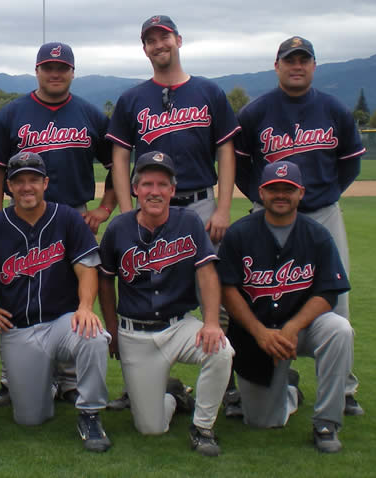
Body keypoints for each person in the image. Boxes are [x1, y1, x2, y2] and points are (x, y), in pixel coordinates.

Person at [105, 15, 241, 413]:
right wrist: (127, 212)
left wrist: (223, 206)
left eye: (164, 36)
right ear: (144, 49)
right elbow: (119, 155)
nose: (158, 44)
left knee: (215, 297)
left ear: (178, 40)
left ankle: (225, 384)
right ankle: (149, 384)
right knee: (144, 288)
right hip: (147, 208)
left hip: (199, 203)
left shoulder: (208, 92)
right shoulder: (133, 99)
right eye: (150, 40)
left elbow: (226, 151)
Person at [233, 36, 366, 416]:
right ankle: (257, 378)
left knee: (335, 301)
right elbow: (241, 166)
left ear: (313, 66)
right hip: (267, 214)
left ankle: (343, 390)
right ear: (277, 66)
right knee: (258, 292)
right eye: (289, 60)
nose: (296, 66)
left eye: (303, 60)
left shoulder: (333, 109)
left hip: (321, 212)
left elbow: (350, 163)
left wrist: (325, 193)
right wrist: (259, 199)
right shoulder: (256, 112)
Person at [0, 41, 115, 406]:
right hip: (20, 215)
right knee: (17, 284)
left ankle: (70, 379)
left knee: (72, 292)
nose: (55, 73)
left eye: (62, 68)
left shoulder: (89, 114)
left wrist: (103, 209)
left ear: (72, 72)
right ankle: (14, 378)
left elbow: (117, 163)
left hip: (72, 211)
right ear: (37, 71)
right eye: (48, 67)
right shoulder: (13, 113)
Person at [0, 151, 111, 452]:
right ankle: (43, 383)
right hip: (19, 330)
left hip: (62, 322)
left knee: (94, 336)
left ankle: (90, 414)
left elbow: (87, 266)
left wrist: (86, 307)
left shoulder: (67, 218)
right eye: (19, 181)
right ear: (8, 186)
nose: (26, 187)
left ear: (45, 183)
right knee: (30, 419)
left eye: (34, 179)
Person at [97, 151, 234, 457]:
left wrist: (211, 323)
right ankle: (173, 395)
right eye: (147, 184)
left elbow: (207, 273)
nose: (154, 191)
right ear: (135, 189)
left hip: (179, 326)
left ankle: (202, 428)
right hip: (135, 333)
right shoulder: (119, 228)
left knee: (222, 350)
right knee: (151, 428)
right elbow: (105, 280)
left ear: (173, 190)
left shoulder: (189, 222)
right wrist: (111, 327)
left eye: (162, 184)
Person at [218, 161, 354, 453]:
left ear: (300, 193)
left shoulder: (317, 235)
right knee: (263, 422)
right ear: (261, 193)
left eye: (288, 189)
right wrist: (260, 333)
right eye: (273, 189)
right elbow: (227, 290)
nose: (281, 194)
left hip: (303, 330)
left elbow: (328, 292)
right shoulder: (239, 234)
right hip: (257, 336)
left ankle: (327, 423)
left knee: (340, 329)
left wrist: (293, 327)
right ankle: (288, 389)